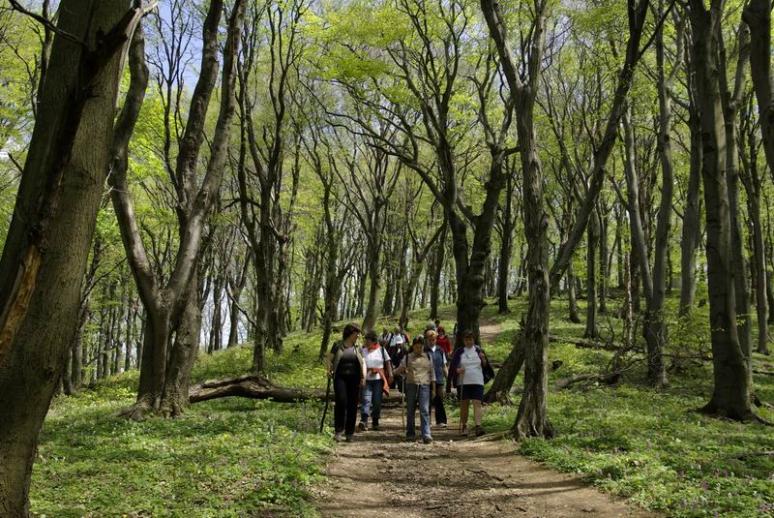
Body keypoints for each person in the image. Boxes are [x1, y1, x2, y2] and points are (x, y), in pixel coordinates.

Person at [447, 330, 493, 437]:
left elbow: (485, 366)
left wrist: (483, 358)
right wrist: (457, 371)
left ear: (474, 340)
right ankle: (464, 426)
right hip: (463, 382)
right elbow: (453, 367)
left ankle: (478, 426)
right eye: (467, 339)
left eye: (470, 339)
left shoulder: (479, 350)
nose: (469, 341)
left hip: (477, 380)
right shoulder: (459, 351)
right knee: (464, 404)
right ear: (463, 340)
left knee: (477, 403)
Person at [327, 323, 366, 442]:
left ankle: (350, 433)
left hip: (354, 379)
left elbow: (363, 362)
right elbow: (329, 359)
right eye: (356, 333)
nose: (358, 336)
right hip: (340, 378)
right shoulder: (338, 345)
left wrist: (363, 376)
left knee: (353, 405)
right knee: (341, 402)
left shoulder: (358, 347)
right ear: (350, 333)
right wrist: (328, 370)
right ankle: (339, 431)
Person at [393, 336, 435, 443]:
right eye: (416, 347)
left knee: (424, 410)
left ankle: (426, 434)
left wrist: (433, 388)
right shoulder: (408, 357)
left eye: (420, 347)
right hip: (411, 385)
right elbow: (400, 369)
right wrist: (393, 373)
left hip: (424, 386)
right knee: (410, 409)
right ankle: (410, 433)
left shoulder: (428, 357)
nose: (418, 349)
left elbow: (432, 374)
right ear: (413, 347)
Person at [358, 330, 392, 432]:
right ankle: (364, 420)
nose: (366, 342)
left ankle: (375, 421)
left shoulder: (381, 350)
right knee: (366, 400)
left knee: (377, 401)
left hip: (378, 380)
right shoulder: (362, 350)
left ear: (373, 341)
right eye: (365, 340)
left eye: (368, 341)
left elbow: (388, 362)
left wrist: (390, 374)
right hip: (366, 379)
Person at [424, 329, 448, 428]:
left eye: (433, 339)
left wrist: (448, 377)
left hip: (439, 378)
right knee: (427, 399)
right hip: (426, 378)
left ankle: (441, 420)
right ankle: (427, 420)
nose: (432, 341)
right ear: (426, 340)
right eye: (430, 339)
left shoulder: (440, 350)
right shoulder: (424, 350)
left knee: (439, 399)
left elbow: (444, 365)